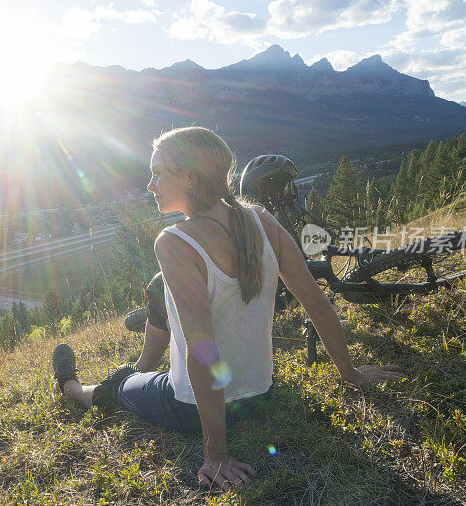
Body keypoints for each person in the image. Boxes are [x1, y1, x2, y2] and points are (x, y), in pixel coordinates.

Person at [52, 126, 404, 491]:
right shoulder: (261, 219)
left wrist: (215, 455)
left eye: (157, 173)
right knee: (158, 319)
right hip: (260, 393)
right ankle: (138, 366)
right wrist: (351, 374)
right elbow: (315, 300)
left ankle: (71, 386)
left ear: (189, 176)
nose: (150, 184)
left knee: (118, 387)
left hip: (190, 408)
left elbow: (204, 351)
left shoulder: (174, 243)